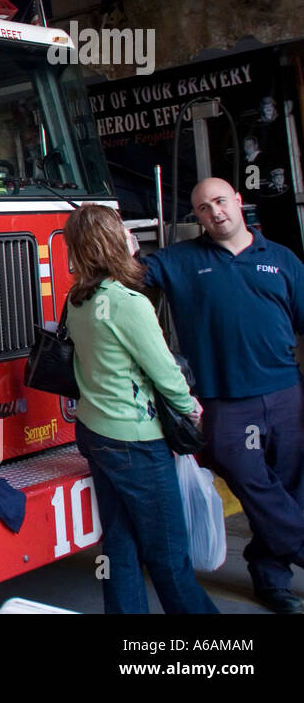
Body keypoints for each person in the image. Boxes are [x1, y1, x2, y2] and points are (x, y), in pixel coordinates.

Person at [143, 177, 304, 613]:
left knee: (288, 487)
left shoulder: (283, 260)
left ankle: (272, 583)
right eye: (202, 208)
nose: (215, 212)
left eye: (220, 201)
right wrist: (115, 241)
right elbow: (128, 275)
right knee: (253, 482)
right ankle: (300, 547)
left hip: (286, 392)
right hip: (225, 403)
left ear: (238, 201)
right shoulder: (179, 261)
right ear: (196, 217)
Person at [63, 203, 218, 614]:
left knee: (120, 545)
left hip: (95, 433)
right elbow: (166, 372)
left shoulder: (77, 300)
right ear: (116, 242)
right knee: (169, 556)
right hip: (136, 441)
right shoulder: (127, 302)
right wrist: (191, 408)